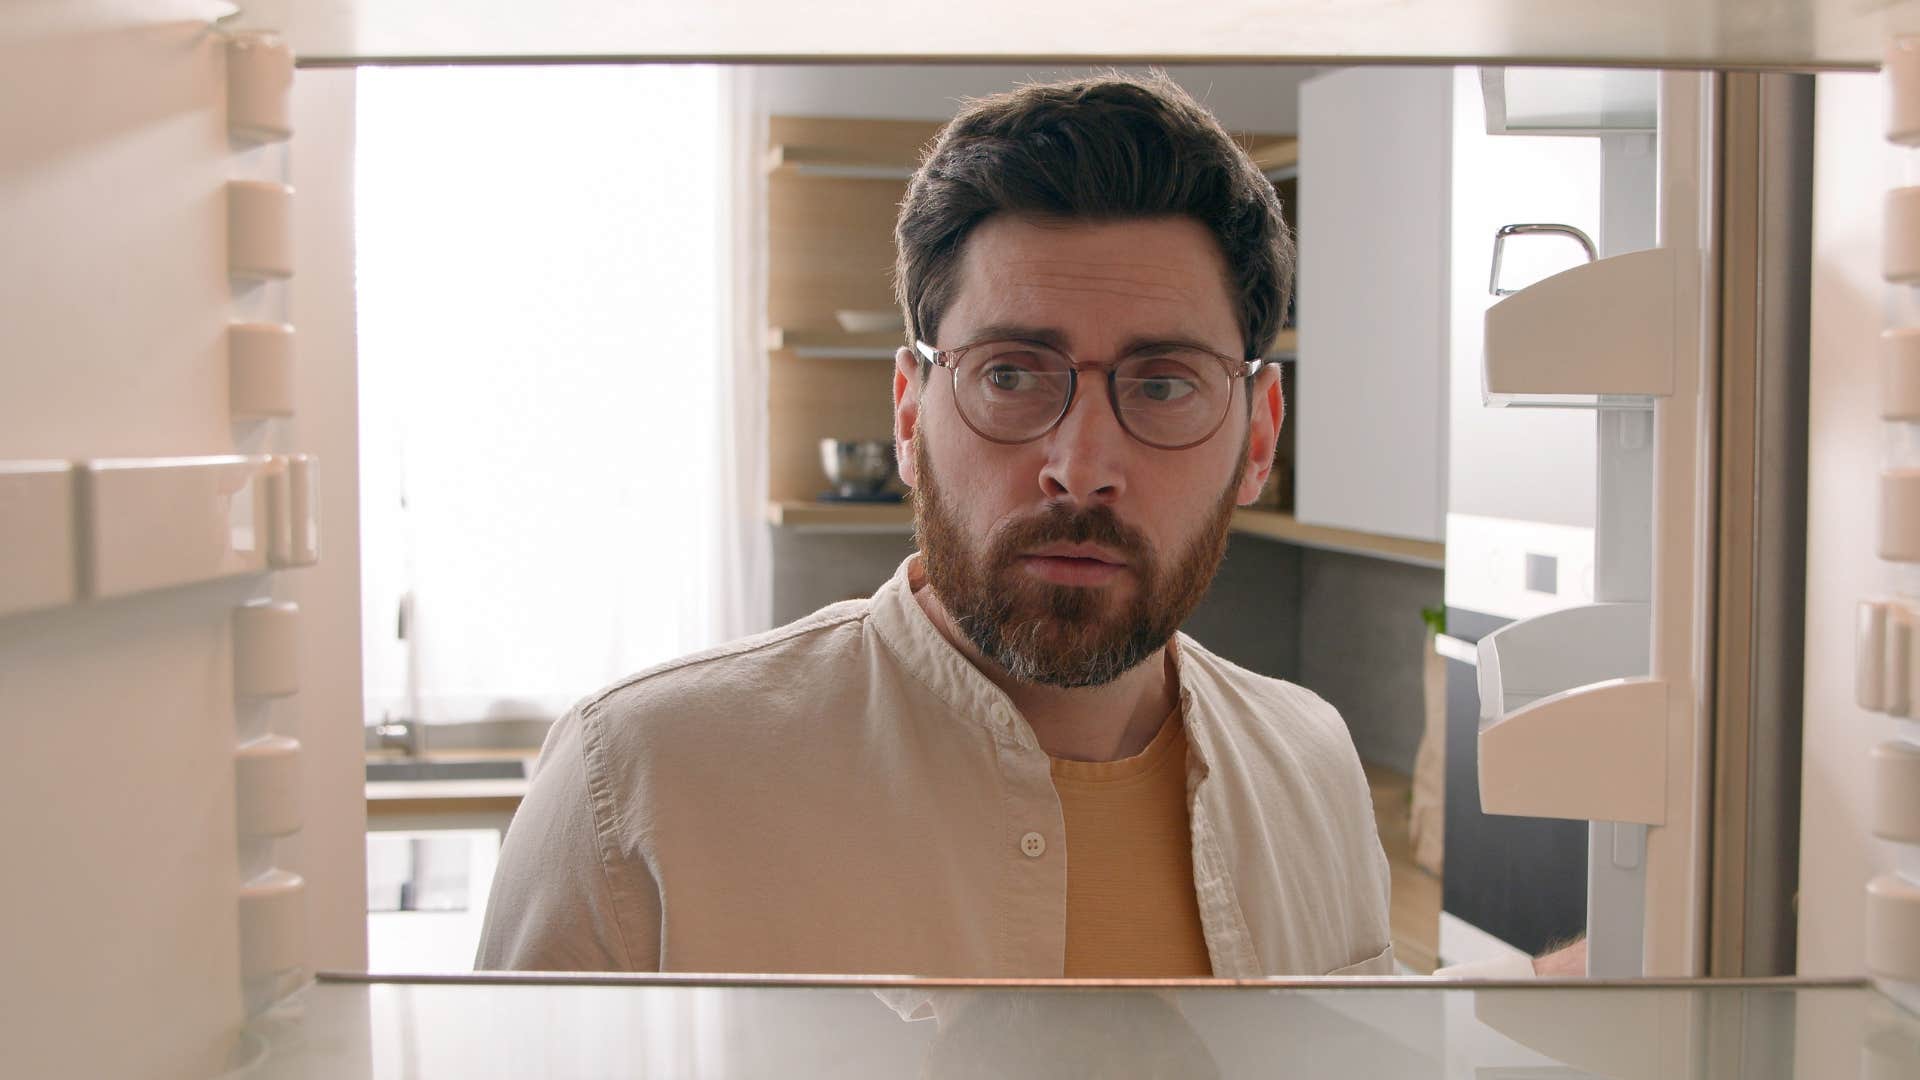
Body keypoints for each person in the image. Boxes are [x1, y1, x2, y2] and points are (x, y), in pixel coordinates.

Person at [477, 71, 1560, 981]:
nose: (1082, 468)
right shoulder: (643, 782)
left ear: (1259, 435)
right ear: (910, 415)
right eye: (1009, 373)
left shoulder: (1311, 763)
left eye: (1166, 384)